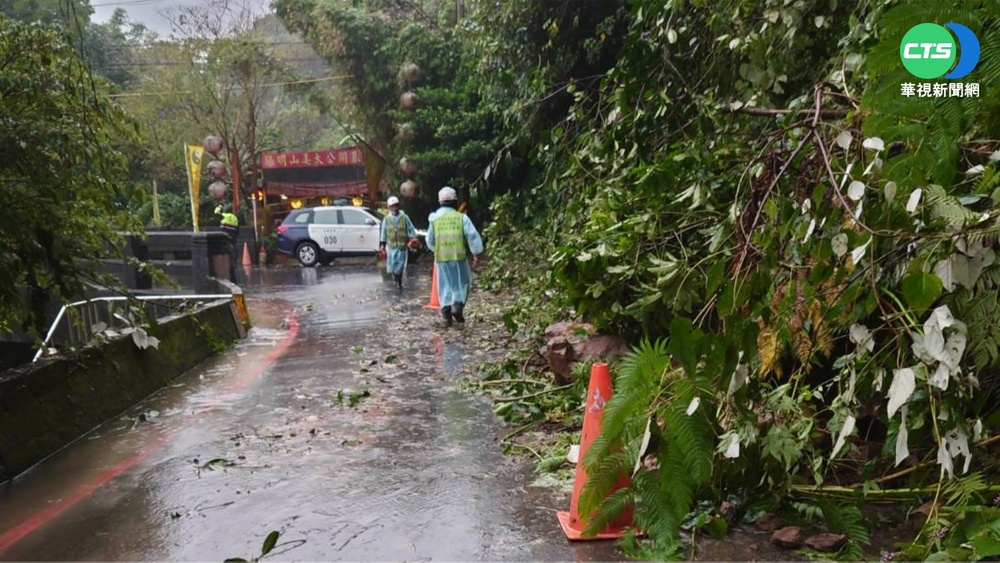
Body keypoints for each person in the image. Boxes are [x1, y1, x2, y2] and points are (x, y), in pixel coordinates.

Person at [425, 186, 484, 327]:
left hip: (441, 259)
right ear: (454, 202)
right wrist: (476, 253)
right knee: (462, 283)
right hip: (458, 257)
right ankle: (457, 306)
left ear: (440, 202)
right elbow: (472, 236)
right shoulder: (461, 218)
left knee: (444, 285)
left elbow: (429, 240)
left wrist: (436, 250)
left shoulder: (434, 219)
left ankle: (446, 315)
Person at [379, 196, 418, 289]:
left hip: (402, 246)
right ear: (389, 207)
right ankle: (395, 277)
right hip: (391, 246)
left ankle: (398, 279)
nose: (394, 208)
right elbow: (383, 233)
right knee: (392, 264)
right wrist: (382, 245)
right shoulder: (386, 219)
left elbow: (410, 229)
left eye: (395, 206)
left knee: (400, 265)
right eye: (392, 206)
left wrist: (412, 239)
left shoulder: (404, 217)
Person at [215, 205, 239, 282]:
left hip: (226, 245)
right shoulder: (235, 219)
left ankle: (230, 283)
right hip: (233, 244)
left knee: (227, 266)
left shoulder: (225, 217)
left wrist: (219, 207)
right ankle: (234, 283)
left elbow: (216, 214)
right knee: (232, 267)